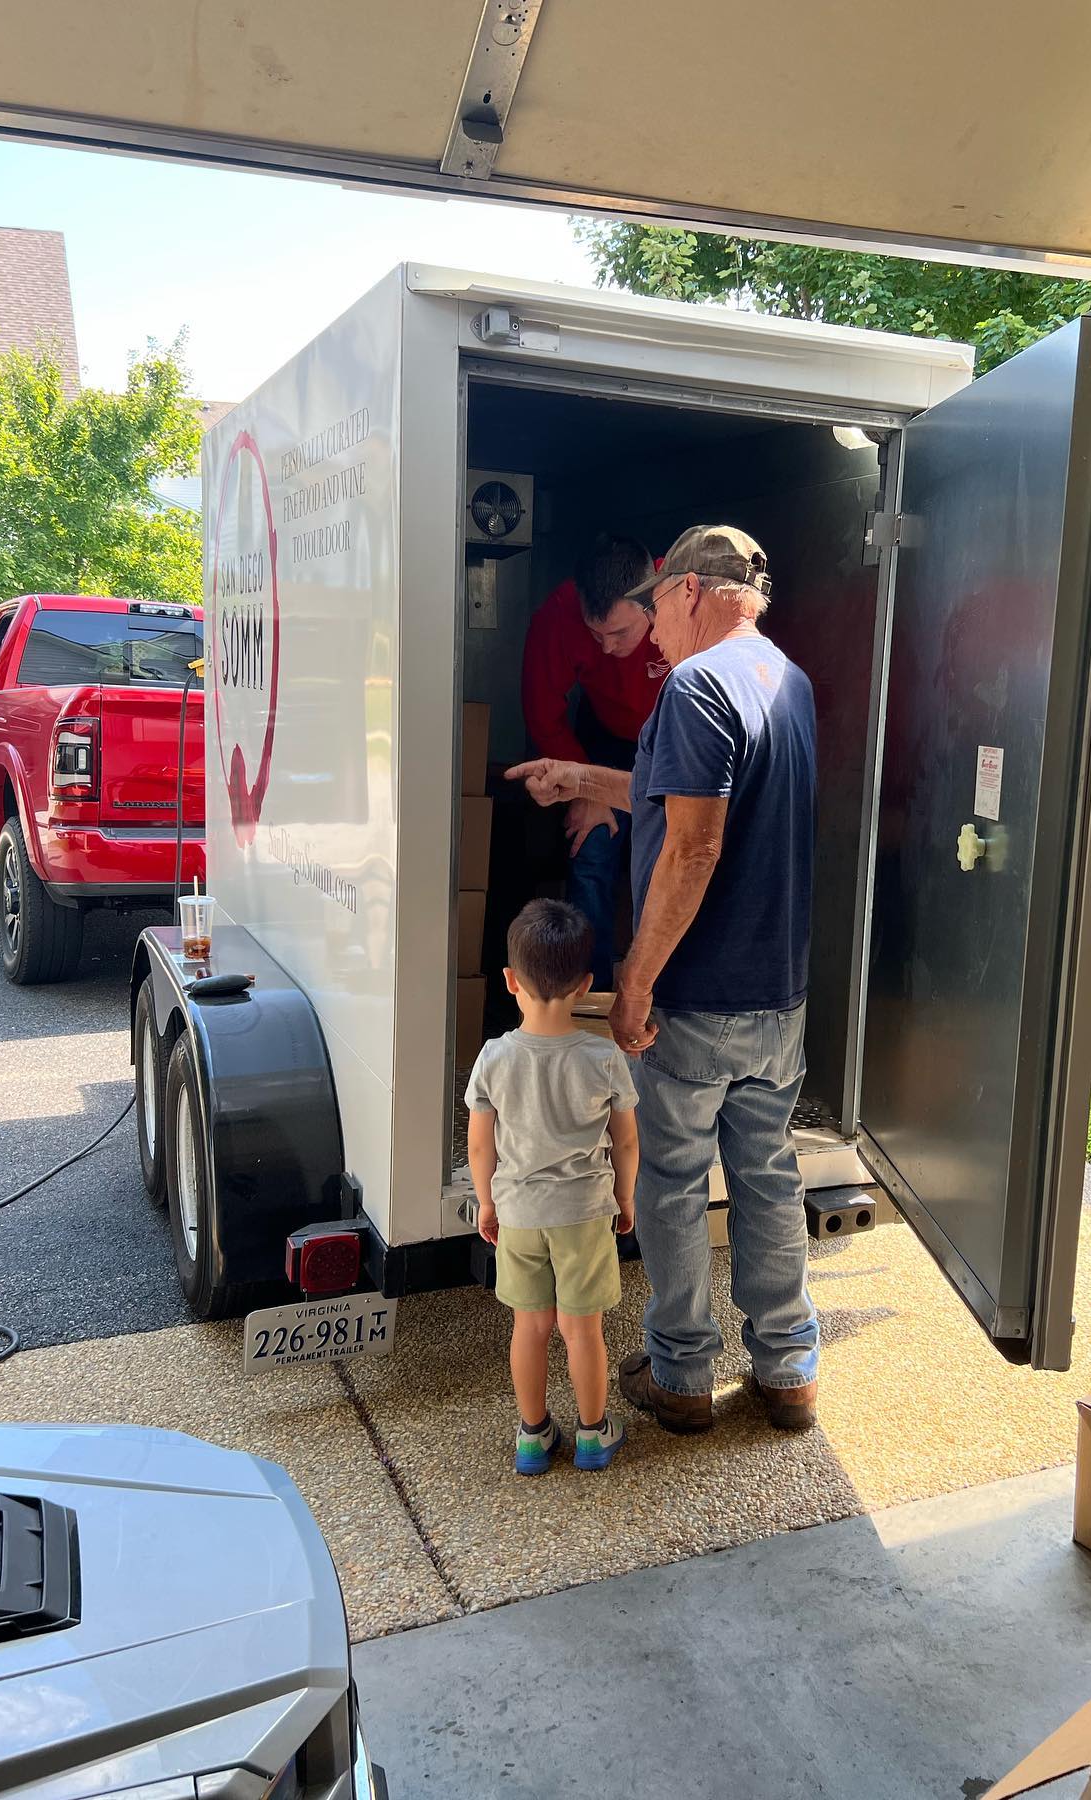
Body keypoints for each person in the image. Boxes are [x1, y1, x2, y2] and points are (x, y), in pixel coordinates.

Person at [507, 526, 820, 1437]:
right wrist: (582, 778)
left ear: (688, 592)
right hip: (779, 994)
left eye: (655, 613)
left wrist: (635, 981)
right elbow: (685, 794)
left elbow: (693, 842)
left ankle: (684, 1374)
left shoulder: (695, 684)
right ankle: (787, 1367)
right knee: (767, 1176)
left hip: (699, 997)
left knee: (674, 1183)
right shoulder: (784, 681)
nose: (649, 637)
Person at [465, 897, 640, 1474]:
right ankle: (593, 1434)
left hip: (518, 1211)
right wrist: (625, 1197)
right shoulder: (603, 1056)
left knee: (531, 1325)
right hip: (584, 1212)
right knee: (580, 1328)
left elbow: (479, 1146)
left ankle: (534, 1435)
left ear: (510, 980)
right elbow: (627, 1141)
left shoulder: (493, 1059)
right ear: (587, 985)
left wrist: (487, 1201)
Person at [521, 533, 666, 990]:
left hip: (673, 737)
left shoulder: (684, 599)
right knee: (592, 849)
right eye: (594, 632)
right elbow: (542, 711)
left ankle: (662, 996)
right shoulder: (558, 613)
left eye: (620, 633)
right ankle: (592, 1000)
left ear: (653, 603)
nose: (605, 648)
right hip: (600, 739)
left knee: (670, 857)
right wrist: (583, 789)